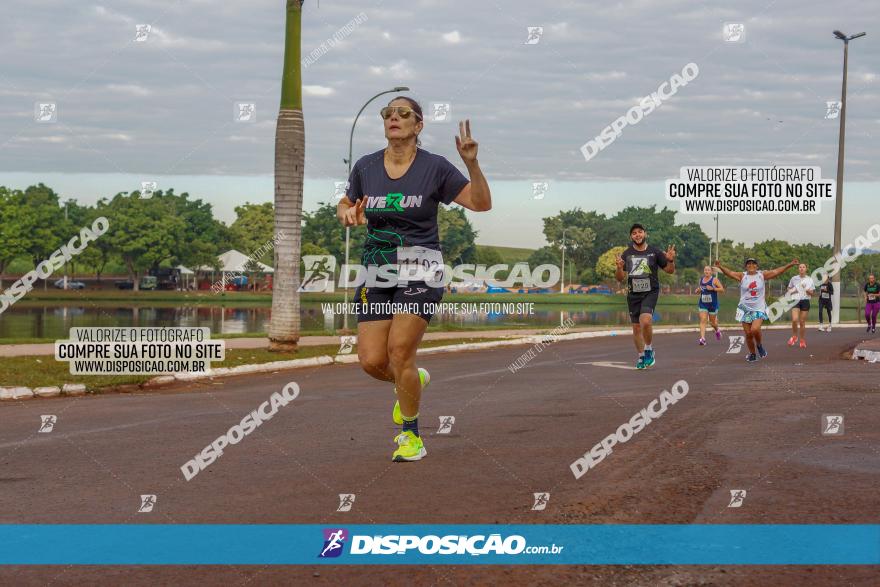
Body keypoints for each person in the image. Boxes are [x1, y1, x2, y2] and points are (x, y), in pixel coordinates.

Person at [337, 96, 491, 462]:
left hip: (422, 264)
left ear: (418, 125)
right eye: (387, 114)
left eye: (402, 114)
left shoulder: (435, 167)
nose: (393, 118)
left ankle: (412, 437)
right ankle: (411, 380)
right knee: (372, 361)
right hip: (377, 265)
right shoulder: (366, 166)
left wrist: (472, 164)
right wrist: (346, 214)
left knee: (399, 351)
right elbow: (345, 203)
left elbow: (481, 203)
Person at [614, 224, 676, 369]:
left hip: (650, 292)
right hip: (633, 294)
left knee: (646, 321)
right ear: (631, 237)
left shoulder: (654, 252)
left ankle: (649, 350)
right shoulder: (626, 254)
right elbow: (619, 278)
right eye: (634, 233)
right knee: (636, 328)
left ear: (645, 234)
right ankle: (641, 357)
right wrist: (618, 267)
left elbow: (669, 271)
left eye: (640, 232)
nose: (637, 235)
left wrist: (671, 260)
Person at [715, 257, 798, 363]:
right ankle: (752, 354)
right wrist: (720, 266)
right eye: (748, 264)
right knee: (748, 334)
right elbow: (730, 273)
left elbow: (777, 271)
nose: (751, 265)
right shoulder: (742, 276)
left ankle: (759, 345)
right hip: (744, 308)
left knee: (755, 329)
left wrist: (790, 264)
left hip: (759, 307)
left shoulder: (761, 275)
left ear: (757, 266)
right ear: (746, 266)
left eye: (753, 263)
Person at [786, 263, 815, 348]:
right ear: (798, 269)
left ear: (806, 269)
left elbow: (812, 293)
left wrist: (805, 289)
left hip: (805, 301)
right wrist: (794, 291)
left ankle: (802, 340)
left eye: (803, 267)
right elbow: (789, 288)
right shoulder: (794, 278)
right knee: (795, 319)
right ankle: (794, 336)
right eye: (800, 267)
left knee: (802, 322)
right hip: (795, 300)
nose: (802, 268)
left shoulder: (809, 280)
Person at [694, 265, 724, 345]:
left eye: (708, 270)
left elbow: (722, 289)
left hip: (713, 304)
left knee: (712, 322)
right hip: (703, 304)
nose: (706, 271)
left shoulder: (714, 280)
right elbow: (698, 290)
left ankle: (717, 330)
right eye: (705, 270)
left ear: (711, 272)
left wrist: (713, 288)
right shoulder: (701, 280)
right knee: (703, 320)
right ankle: (702, 339)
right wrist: (697, 290)